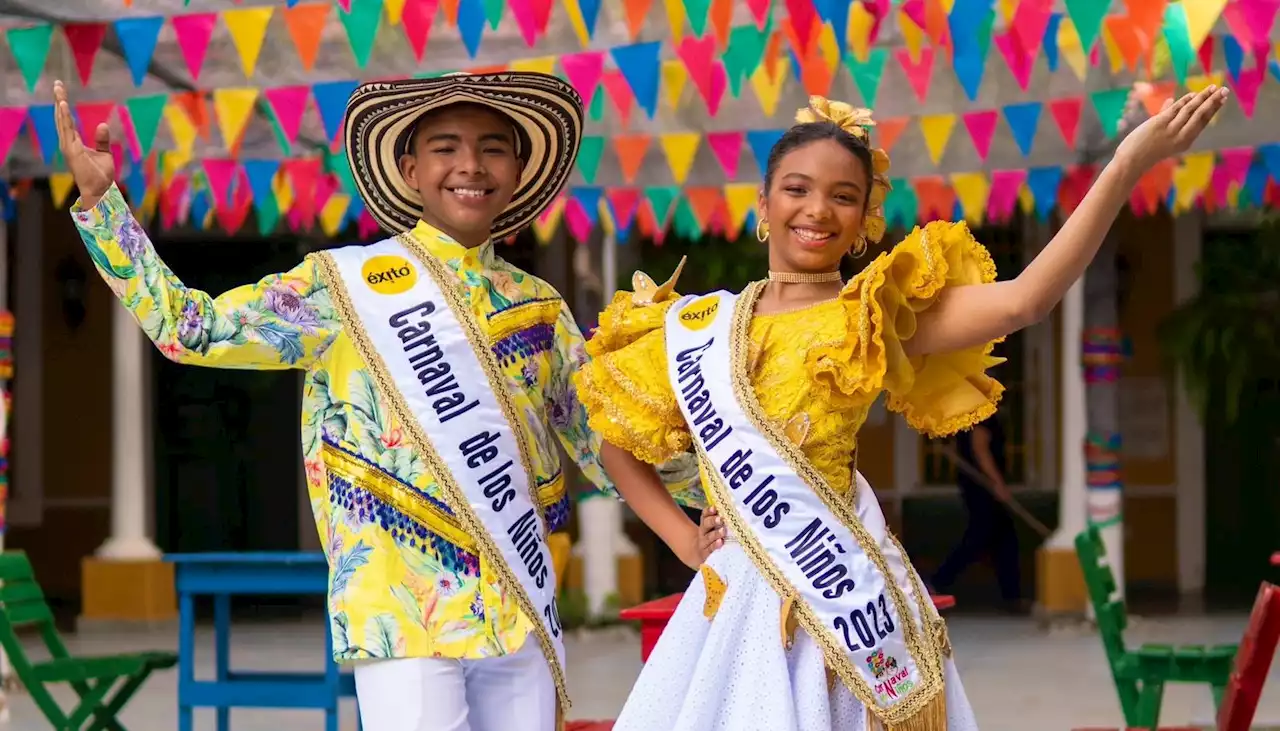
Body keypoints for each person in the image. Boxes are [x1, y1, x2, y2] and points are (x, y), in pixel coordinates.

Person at [53, 72, 717, 731]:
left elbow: (605, 446)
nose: (470, 165)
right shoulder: (343, 288)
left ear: (517, 168)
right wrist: (104, 204)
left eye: (492, 147)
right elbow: (189, 328)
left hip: (519, 603)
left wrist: (720, 500)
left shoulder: (540, 308)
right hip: (400, 606)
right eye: (446, 146)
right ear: (410, 168)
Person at [575, 87, 1229, 731]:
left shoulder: (873, 315)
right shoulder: (700, 327)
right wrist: (686, 539)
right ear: (764, 205)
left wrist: (1124, 168)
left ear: (865, 222)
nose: (818, 210)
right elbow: (615, 442)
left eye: (844, 196)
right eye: (798, 189)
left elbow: (1025, 300)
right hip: (737, 600)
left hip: (842, 603)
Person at [929, 412, 1024, 612]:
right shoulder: (981, 415)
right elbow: (980, 450)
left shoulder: (974, 415)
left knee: (1005, 539)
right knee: (978, 538)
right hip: (982, 488)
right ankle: (936, 583)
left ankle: (1012, 596)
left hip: (982, 486)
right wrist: (998, 484)